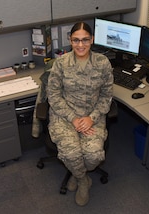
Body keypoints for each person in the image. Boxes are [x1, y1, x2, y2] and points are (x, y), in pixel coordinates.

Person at [47, 22, 113, 206]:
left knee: (93, 155)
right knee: (71, 153)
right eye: (76, 40)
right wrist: (73, 118)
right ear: (70, 40)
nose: (81, 45)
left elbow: (107, 96)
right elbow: (52, 95)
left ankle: (77, 174)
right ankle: (83, 180)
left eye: (85, 40)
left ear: (92, 40)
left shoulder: (102, 63)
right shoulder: (61, 63)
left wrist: (91, 119)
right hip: (65, 116)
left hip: (93, 116)